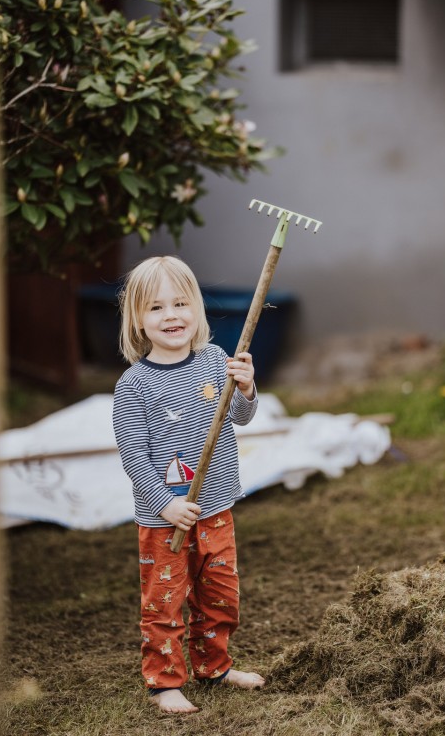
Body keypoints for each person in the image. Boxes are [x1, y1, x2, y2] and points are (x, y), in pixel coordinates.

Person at [113, 255, 266, 714]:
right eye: (156, 308)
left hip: (215, 506)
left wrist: (245, 389)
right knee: (165, 601)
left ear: (196, 309)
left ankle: (214, 666)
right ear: (138, 320)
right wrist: (165, 505)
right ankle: (164, 682)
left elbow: (237, 419)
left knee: (219, 597)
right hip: (165, 520)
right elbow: (134, 458)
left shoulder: (215, 361)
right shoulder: (133, 386)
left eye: (180, 303)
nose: (171, 315)